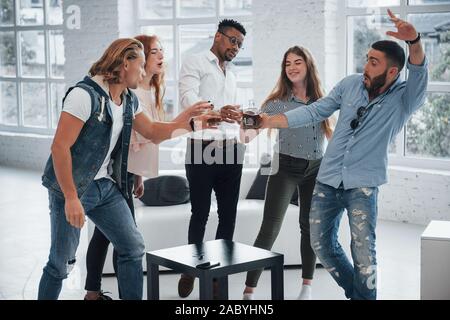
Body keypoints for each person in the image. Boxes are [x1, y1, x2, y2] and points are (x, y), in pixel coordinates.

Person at [256, 9, 427, 300]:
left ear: (392, 72)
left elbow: (419, 70)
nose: (365, 67)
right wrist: (270, 120)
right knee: (320, 243)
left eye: (373, 63)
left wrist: (414, 41)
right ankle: (358, 294)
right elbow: (314, 111)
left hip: (362, 184)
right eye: (366, 59)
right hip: (328, 179)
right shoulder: (350, 85)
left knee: (363, 250)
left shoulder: (404, 99)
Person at [38, 38, 217, 300]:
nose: (144, 72)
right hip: (73, 188)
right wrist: (71, 197)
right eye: (141, 65)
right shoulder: (83, 95)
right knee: (60, 263)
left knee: (132, 247)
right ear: (125, 63)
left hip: (104, 186)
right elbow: (59, 148)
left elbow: (154, 131)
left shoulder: (128, 99)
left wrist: (192, 125)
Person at [241, 46, 334, 300]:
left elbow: (330, 134)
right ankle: (249, 290)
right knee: (269, 228)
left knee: (309, 227)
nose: (292, 67)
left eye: (298, 62)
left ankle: (307, 286)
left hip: (316, 169)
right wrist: (245, 123)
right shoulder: (276, 103)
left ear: (308, 66)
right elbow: (247, 136)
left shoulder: (321, 100)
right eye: (287, 64)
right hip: (285, 168)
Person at [177, 19, 246, 298]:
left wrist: (239, 118)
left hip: (231, 149)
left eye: (240, 44)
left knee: (228, 215)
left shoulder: (232, 74)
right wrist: (220, 112)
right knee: (201, 213)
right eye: (232, 40)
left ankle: (217, 277)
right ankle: (192, 269)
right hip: (201, 149)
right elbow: (188, 101)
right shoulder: (194, 62)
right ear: (218, 37)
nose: (236, 47)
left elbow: (230, 115)